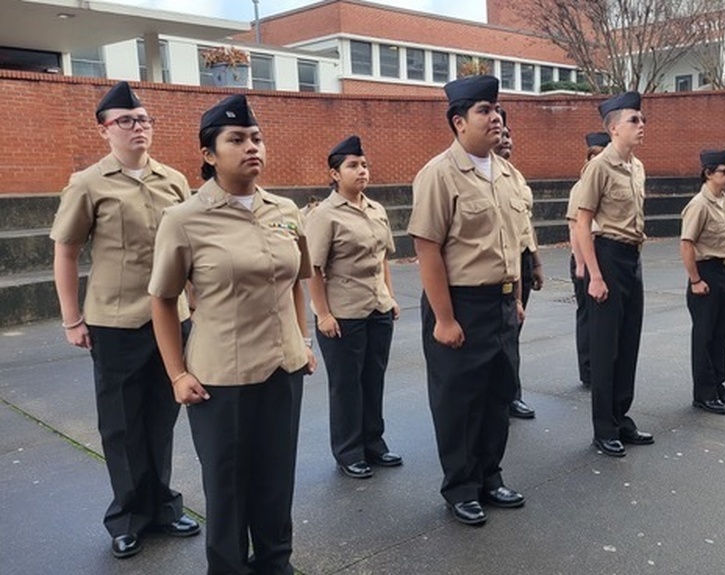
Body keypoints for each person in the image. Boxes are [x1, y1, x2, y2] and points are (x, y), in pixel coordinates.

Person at [148, 94, 316, 575]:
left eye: (257, 138)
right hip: (222, 378)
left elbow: (295, 283)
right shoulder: (185, 218)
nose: (251, 147)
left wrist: (302, 341)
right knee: (228, 487)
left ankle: (275, 564)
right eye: (236, 139)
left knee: (276, 480)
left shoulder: (284, 209)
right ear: (208, 154)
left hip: (282, 370)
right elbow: (162, 298)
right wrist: (177, 373)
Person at [50, 81, 199, 560]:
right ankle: (128, 516)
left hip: (172, 318)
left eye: (144, 120)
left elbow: (190, 251)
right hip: (116, 321)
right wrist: (72, 318)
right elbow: (66, 251)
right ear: (105, 131)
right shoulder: (88, 183)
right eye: (127, 121)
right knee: (121, 424)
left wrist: (198, 305)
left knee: (162, 417)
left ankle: (163, 506)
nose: (139, 128)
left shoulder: (173, 180)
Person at [407, 75, 526, 526]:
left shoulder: (509, 174)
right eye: (484, 111)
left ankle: (489, 477)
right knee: (459, 401)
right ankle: (460, 486)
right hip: (459, 304)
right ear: (459, 122)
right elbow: (428, 249)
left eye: (497, 110)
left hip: (499, 304)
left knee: (498, 395)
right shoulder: (439, 174)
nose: (495, 117)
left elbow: (510, 244)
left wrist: (512, 297)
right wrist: (444, 318)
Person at [304, 134, 402, 480]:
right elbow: (313, 268)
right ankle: (349, 451)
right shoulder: (324, 215)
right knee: (347, 385)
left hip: (376, 309)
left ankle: (373, 443)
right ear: (334, 173)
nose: (362, 171)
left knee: (373, 379)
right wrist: (323, 314)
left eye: (364, 165)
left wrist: (389, 297)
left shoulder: (376, 209)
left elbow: (383, 259)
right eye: (353, 166)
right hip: (343, 314)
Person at [574, 92, 654, 458]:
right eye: (634, 120)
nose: (642, 126)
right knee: (606, 347)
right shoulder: (599, 167)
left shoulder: (636, 167)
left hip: (631, 257)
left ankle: (621, 416)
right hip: (606, 256)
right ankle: (603, 428)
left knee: (628, 341)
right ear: (613, 127)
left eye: (642, 119)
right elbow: (582, 222)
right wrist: (594, 275)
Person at [680, 149, 725, 415]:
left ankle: (719, 387)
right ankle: (704, 394)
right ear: (708, 173)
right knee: (704, 337)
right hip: (704, 272)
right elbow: (687, 244)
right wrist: (695, 279)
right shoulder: (699, 204)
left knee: (721, 336)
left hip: (722, 272)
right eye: (724, 171)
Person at [494, 109, 539, 419]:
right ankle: (500, 395)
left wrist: (535, 262)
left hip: (520, 259)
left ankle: (512, 394)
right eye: (502, 134)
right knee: (499, 335)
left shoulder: (516, 177)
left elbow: (526, 223)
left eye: (509, 134)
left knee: (513, 332)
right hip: (497, 262)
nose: (507, 138)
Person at [565, 132, 611, 389]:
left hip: (603, 256)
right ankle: (588, 370)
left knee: (601, 318)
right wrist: (581, 265)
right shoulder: (582, 187)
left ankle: (601, 366)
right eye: (594, 157)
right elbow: (575, 227)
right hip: (585, 258)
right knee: (587, 316)